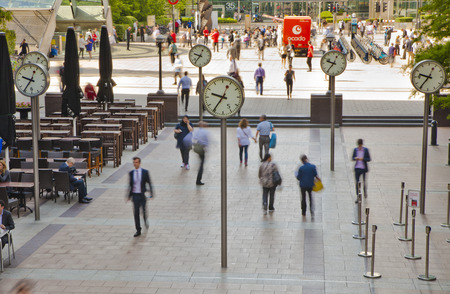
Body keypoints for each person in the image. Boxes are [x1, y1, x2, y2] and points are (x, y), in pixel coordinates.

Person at [127, 157, 153, 237]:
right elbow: (130, 185)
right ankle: (138, 229)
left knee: (144, 210)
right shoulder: (131, 173)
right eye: (134, 162)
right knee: (136, 213)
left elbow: (149, 183)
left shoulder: (145, 172)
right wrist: (128, 195)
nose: (135, 164)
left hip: (142, 195)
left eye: (136, 162)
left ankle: (145, 220)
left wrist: (152, 193)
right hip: (135, 195)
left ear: (139, 163)